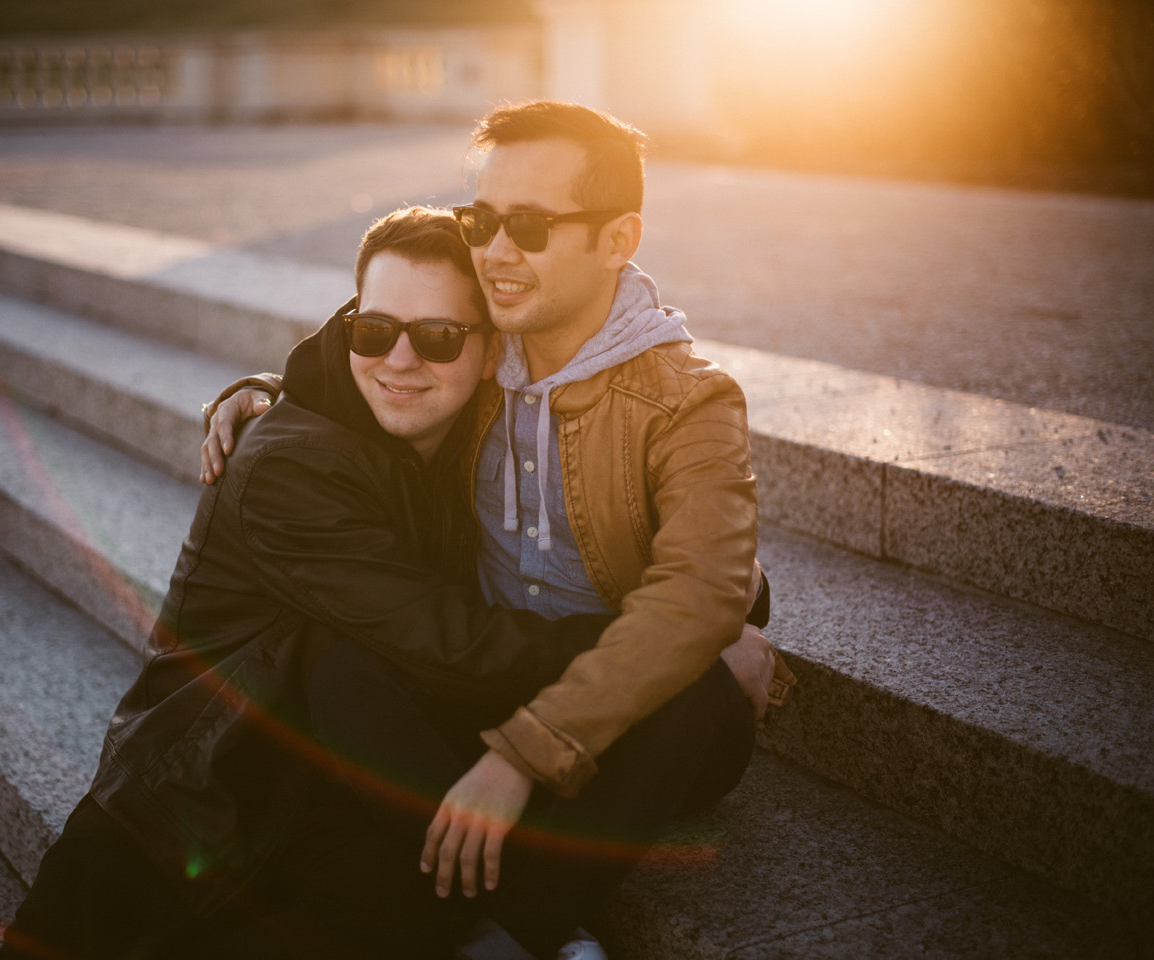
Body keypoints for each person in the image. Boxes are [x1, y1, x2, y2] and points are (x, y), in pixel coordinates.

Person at [0, 206, 761, 960]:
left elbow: (691, 547)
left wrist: (698, 623)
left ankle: (519, 923)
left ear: (493, 352)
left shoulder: (480, 426)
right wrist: (667, 646)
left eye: (437, 337)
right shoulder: (289, 467)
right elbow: (452, 641)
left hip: (352, 772)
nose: (397, 359)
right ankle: (533, 921)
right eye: (374, 330)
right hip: (208, 794)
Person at [204, 100, 795, 960]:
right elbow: (383, 332)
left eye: (529, 225)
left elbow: (698, 595)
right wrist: (262, 392)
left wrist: (520, 757)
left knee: (695, 690)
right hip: (481, 678)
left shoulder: (691, 402)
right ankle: (530, 901)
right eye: (481, 220)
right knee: (339, 663)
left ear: (618, 239)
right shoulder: (472, 352)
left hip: (627, 717)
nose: (493, 251)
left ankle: (513, 935)